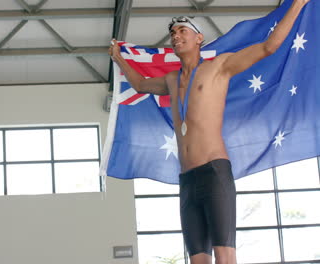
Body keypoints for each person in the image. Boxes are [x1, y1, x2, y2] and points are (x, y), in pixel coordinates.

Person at [108, 0, 311, 263]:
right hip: (187, 181)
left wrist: (298, 3)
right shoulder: (171, 80)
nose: (176, 36)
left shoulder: (219, 68)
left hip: (214, 173)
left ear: (199, 38)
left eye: (182, 31)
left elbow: (268, 47)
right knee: (198, 260)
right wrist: (119, 58)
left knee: (225, 257)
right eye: (173, 34)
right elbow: (140, 84)